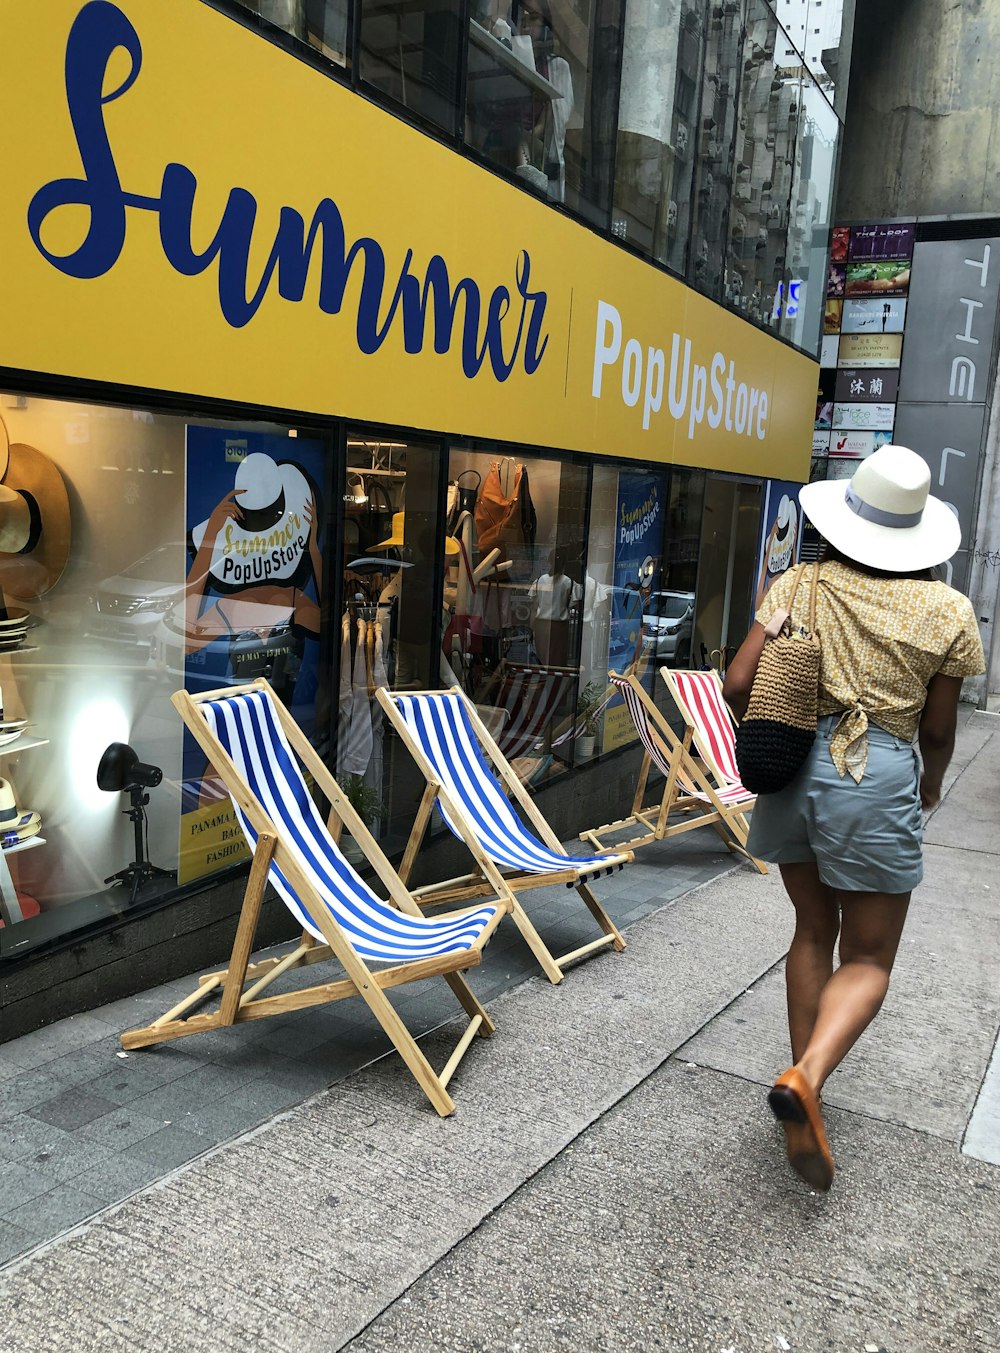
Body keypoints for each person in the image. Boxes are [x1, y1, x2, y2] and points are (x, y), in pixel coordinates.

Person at [723, 446, 985, 1191]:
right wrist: (928, 784)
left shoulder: (798, 584)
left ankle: (807, 1089)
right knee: (869, 959)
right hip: (875, 775)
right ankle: (806, 1079)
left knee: (812, 929)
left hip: (793, 767)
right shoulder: (949, 611)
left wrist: (776, 733)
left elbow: (740, 681)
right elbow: (936, 731)